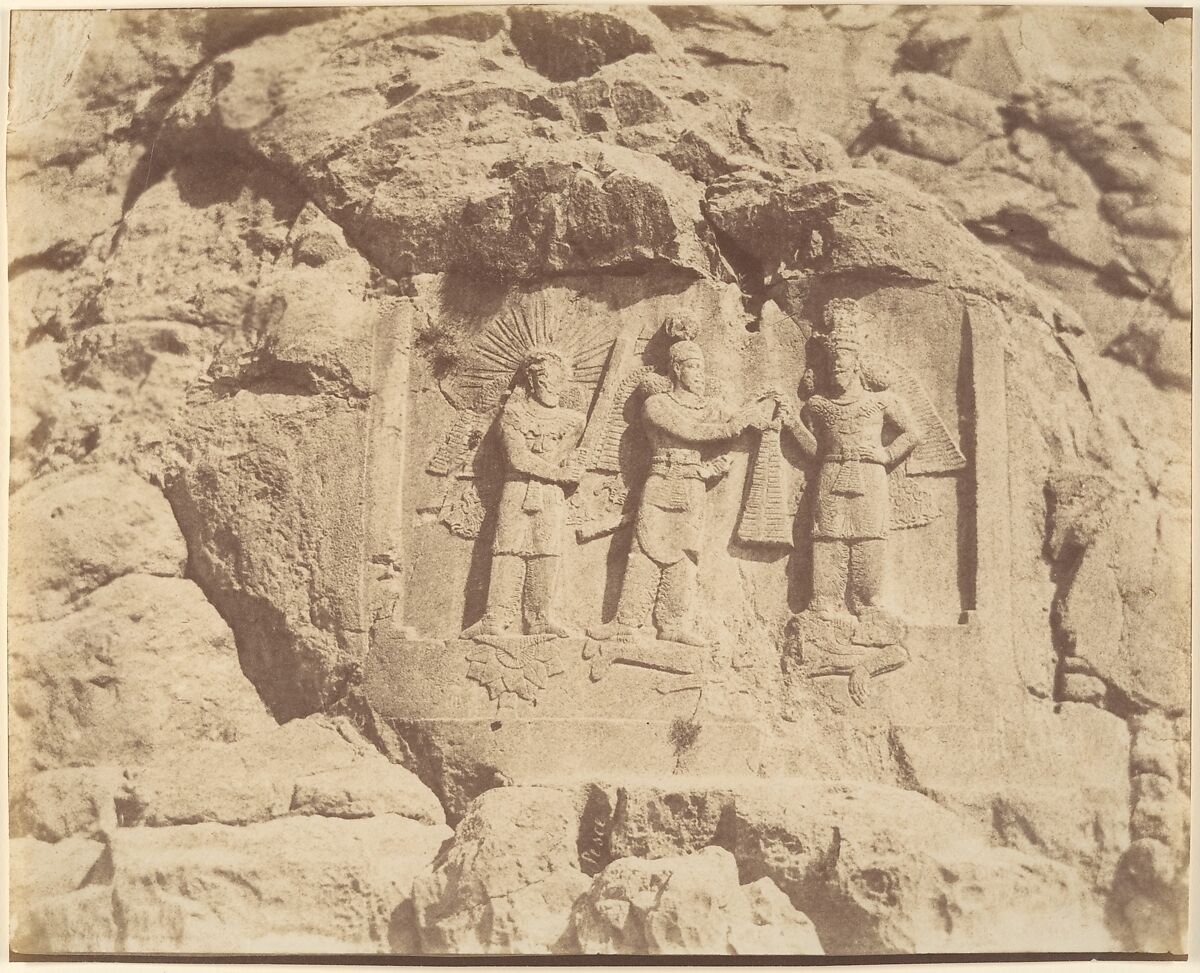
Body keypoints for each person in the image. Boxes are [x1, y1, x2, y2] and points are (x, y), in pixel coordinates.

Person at [589, 338, 774, 646]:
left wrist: (764, 407)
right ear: (676, 368)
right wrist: (733, 426)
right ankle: (626, 622)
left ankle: (673, 623)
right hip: (662, 479)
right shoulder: (657, 405)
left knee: (686, 552)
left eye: (702, 367)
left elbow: (740, 420)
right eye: (693, 367)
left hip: (691, 483)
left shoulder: (709, 407)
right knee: (644, 548)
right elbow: (691, 431)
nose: (700, 374)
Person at [779, 298, 923, 617]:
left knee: (869, 534)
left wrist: (886, 454)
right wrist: (791, 424)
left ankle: (867, 601)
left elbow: (913, 433)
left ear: (857, 365)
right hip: (831, 474)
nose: (836, 372)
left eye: (842, 367)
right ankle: (824, 601)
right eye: (832, 367)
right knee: (827, 534)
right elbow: (816, 452)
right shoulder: (817, 406)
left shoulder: (882, 402)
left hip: (869, 475)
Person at [462, 349, 585, 639]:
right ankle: (495, 616)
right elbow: (517, 458)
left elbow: (563, 456)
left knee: (547, 549)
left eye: (555, 378)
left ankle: (540, 616)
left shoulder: (573, 421)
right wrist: (560, 473)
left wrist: (572, 466)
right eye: (543, 377)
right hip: (517, 488)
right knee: (507, 548)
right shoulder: (513, 413)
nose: (549, 384)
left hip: (550, 494)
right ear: (531, 379)